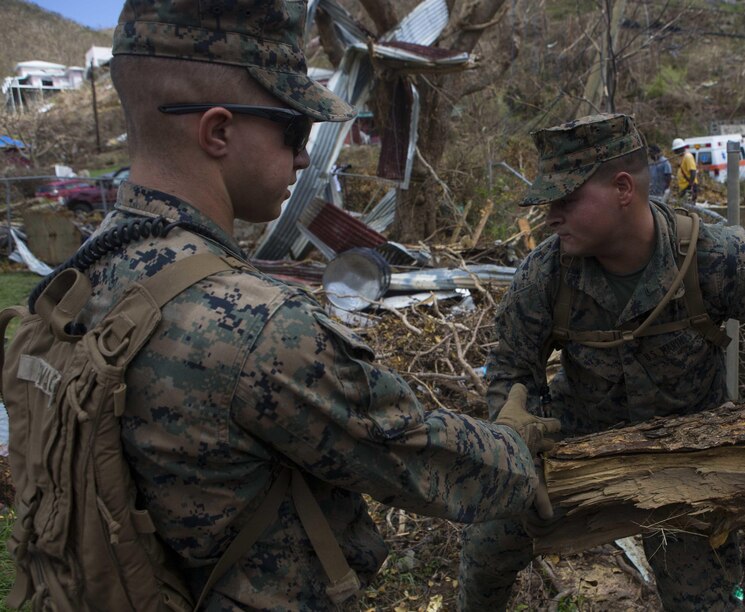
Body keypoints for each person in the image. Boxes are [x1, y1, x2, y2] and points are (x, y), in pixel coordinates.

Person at [91, 0, 558, 607]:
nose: (307, 157)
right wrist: (516, 449)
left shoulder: (87, 273)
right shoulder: (257, 327)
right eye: (294, 130)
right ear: (218, 131)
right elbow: (409, 453)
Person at [458, 114, 745, 611]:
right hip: (579, 450)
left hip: (687, 463)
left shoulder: (712, 256)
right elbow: (510, 367)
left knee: (709, 602)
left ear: (623, 189)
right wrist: (512, 421)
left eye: (566, 201)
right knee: (485, 548)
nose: (550, 217)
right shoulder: (545, 275)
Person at [672, 137, 698, 201]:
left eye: (676, 150)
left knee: (688, 207)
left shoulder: (688, 157)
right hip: (684, 187)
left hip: (689, 187)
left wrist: (689, 187)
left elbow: (693, 172)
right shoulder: (682, 157)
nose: (675, 152)